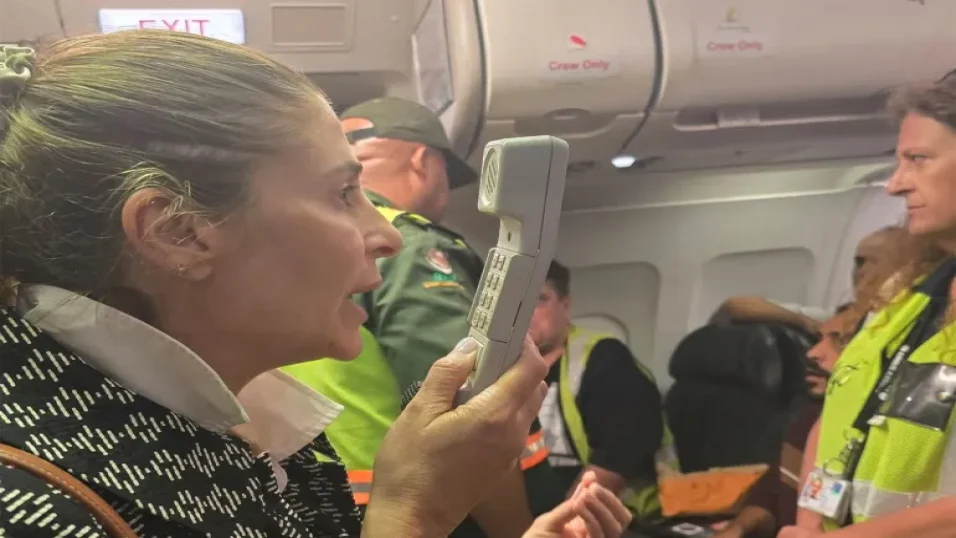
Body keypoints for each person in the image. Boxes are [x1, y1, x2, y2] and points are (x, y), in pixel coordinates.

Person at [0, 33, 631, 538]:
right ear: (178, 232)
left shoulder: (243, 421)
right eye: (343, 194)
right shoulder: (32, 508)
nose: (386, 237)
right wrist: (414, 514)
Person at [285, 96, 565, 538]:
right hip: (429, 509)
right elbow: (471, 418)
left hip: (321, 504)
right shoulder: (408, 245)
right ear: (424, 163)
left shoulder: (299, 237)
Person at [778, 74, 956, 537]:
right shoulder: (905, 297)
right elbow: (838, 418)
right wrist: (809, 525)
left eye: (917, 160)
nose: (895, 186)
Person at [528, 260, 678, 521]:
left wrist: (561, 526)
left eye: (539, 300)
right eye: (517, 303)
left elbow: (621, 452)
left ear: (565, 306)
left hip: (618, 516)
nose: (525, 312)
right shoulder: (504, 367)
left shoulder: (603, 359)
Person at [714, 313, 848, 538]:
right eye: (820, 339)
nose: (813, 353)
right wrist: (738, 528)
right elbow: (772, 493)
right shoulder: (810, 417)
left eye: (838, 341)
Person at [711, 227, 906, 336]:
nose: (859, 271)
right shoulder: (840, 316)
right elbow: (735, 306)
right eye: (858, 262)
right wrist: (803, 323)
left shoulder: (905, 323)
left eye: (869, 262)